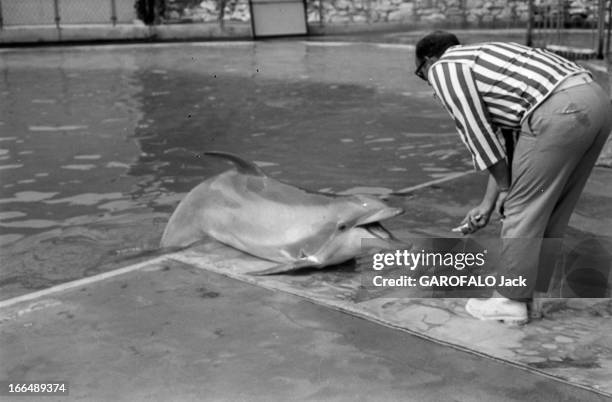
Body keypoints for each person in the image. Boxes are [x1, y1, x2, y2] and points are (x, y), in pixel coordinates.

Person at [414, 31, 612, 324]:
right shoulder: (487, 59)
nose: (428, 82)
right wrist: (488, 202)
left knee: (522, 209)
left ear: (429, 60)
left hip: (559, 110)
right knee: (551, 208)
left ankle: (510, 300)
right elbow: (508, 143)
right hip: (596, 101)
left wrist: (508, 190)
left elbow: (479, 134)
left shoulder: (445, 68)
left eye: (421, 74)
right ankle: (530, 298)